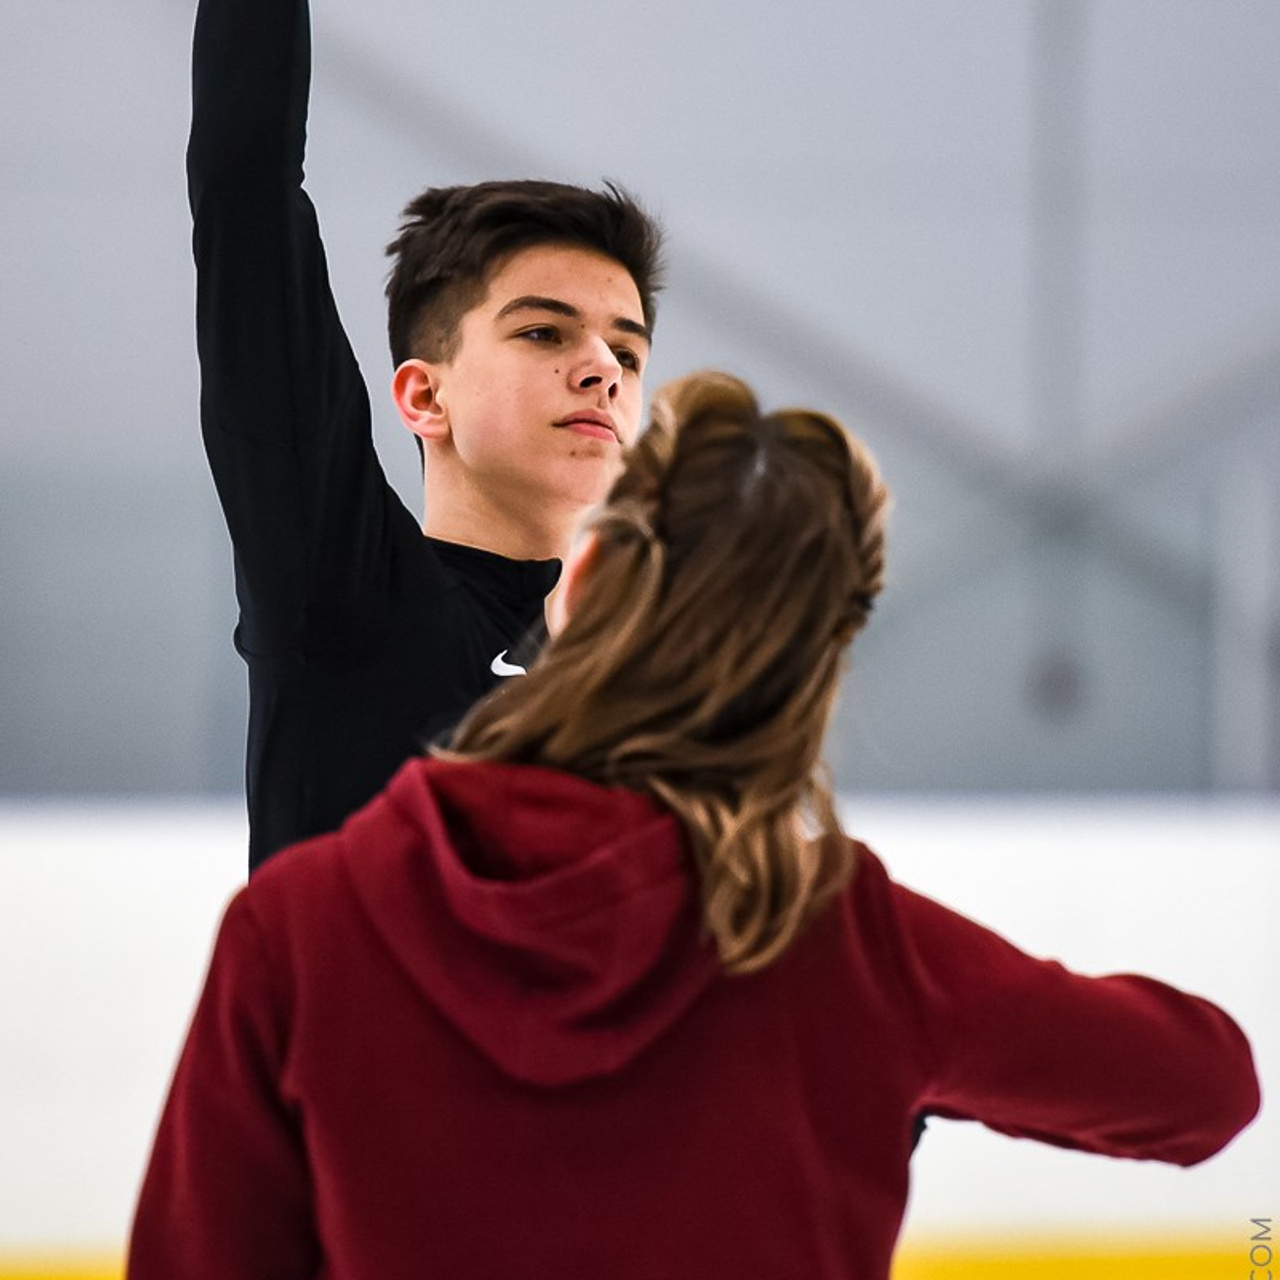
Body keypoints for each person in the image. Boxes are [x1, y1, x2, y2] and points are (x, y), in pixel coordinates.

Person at [128, 371, 1259, 1280]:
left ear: (588, 571)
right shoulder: (843, 944)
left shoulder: (297, 927)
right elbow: (1204, 1088)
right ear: (821, 654)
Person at [188, 0, 664, 870]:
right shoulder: (342, 594)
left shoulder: (648, 682)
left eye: (626, 351)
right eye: (543, 332)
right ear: (422, 397)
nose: (602, 368)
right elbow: (244, 194)